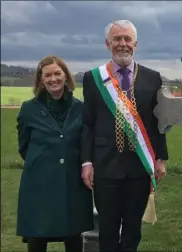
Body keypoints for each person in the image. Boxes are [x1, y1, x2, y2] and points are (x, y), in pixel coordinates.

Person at [80, 20, 169, 252]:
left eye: (127, 39)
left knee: (132, 228)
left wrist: (160, 158)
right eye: (117, 39)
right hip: (105, 165)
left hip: (139, 166)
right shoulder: (93, 79)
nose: (122, 44)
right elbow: (87, 123)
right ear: (107, 44)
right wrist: (87, 162)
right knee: (107, 229)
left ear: (135, 44)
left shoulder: (153, 78)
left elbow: (158, 122)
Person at [16, 55, 94, 252]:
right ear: (41, 80)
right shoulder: (28, 109)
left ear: (66, 76)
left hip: (71, 181)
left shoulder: (81, 108)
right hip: (39, 184)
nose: (53, 79)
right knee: (37, 236)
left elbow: (85, 142)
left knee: (73, 236)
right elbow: (24, 146)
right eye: (47, 75)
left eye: (57, 73)